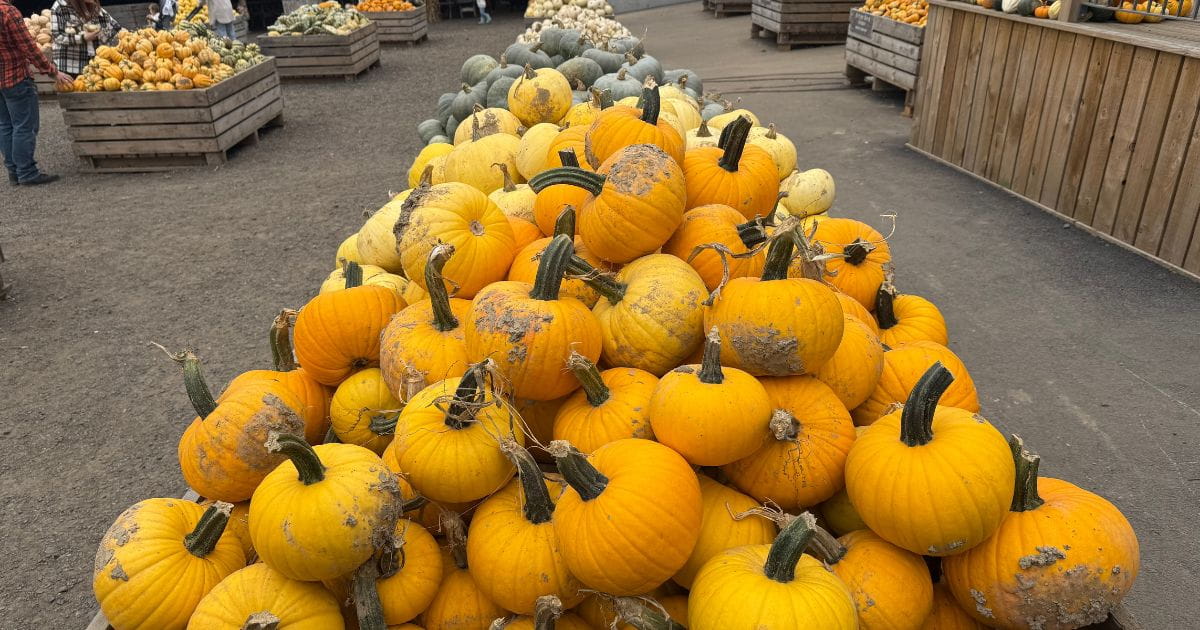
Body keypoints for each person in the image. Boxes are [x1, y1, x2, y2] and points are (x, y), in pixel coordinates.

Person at [1, 0, 73, 185]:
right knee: (24, 126)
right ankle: (27, 172)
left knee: (5, 126)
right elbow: (30, 48)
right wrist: (52, 71)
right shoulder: (8, 12)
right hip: (15, 78)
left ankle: (15, 172)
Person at [49, 0, 119, 77]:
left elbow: (116, 29)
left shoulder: (96, 8)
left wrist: (103, 34)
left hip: (94, 69)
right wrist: (83, 38)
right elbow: (57, 36)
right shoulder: (61, 6)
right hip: (68, 68)